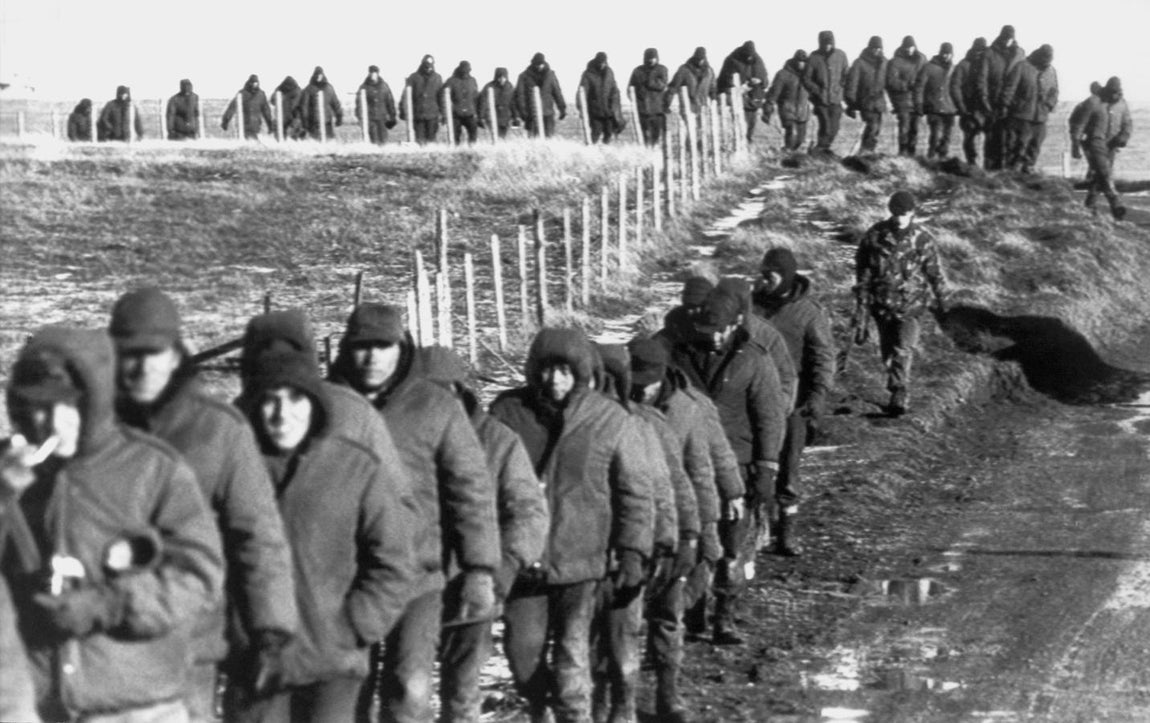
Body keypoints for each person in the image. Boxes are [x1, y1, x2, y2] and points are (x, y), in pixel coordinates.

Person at [0, 326, 223, 721]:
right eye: (37, 406)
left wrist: (107, 603)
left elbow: (199, 574)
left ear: (94, 402)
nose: (50, 422)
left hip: (137, 707)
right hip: (41, 705)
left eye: (65, 405)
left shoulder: (152, 469)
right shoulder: (11, 473)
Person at [107, 288, 299, 722]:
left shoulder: (219, 431)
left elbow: (257, 535)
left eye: (152, 352)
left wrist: (271, 630)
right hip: (104, 637)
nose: (139, 366)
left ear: (176, 354)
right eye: (128, 353)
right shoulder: (93, 428)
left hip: (191, 641)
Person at [329, 304, 500, 723]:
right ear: (346, 349)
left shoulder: (436, 406)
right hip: (345, 576)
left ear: (400, 347)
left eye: (382, 346)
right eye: (361, 346)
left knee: (410, 690)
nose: (371, 357)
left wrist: (479, 568)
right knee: (348, 692)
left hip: (417, 574)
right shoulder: (324, 404)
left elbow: (471, 489)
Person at [233, 349, 416, 723]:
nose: (282, 414)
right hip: (256, 663)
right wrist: (234, 634)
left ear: (315, 403)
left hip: (333, 663)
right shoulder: (233, 470)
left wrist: (353, 625)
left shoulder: (356, 468)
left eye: (295, 399)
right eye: (269, 400)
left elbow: (394, 561)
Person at [490, 327, 653, 723]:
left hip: (582, 559)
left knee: (572, 656)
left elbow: (635, 490)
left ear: (582, 373)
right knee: (522, 654)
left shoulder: (608, 419)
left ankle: (574, 716)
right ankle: (539, 707)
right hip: (524, 563)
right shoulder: (507, 413)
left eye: (565, 371)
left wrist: (633, 549)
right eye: (546, 370)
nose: (555, 380)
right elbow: (482, 478)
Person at [417, 347, 550, 723]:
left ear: (461, 392)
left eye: (445, 393)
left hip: (471, 588)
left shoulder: (498, 442)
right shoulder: (396, 436)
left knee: (461, 692)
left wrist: (504, 565)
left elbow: (527, 511)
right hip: (410, 590)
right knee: (409, 689)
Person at [666, 290, 787, 644]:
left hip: (740, 467)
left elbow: (770, 419)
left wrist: (767, 469)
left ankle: (725, 616)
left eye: (720, 329)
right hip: (691, 468)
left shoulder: (755, 361)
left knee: (731, 548)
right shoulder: (680, 355)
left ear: (736, 324)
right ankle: (693, 612)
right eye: (706, 328)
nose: (713, 336)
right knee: (695, 540)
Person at [589, 344, 683, 723]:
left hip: (631, 546)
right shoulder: (573, 422)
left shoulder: (643, 425)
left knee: (623, 633)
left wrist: (673, 539)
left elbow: (667, 486)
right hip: (581, 549)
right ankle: (596, 707)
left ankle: (626, 704)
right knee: (586, 639)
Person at [627, 337, 716, 723]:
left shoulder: (686, 410)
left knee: (668, 614)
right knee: (623, 623)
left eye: (645, 382)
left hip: (675, 527)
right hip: (632, 533)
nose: (639, 389)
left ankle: (668, 692)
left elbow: (697, 472)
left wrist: (702, 532)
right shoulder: (617, 416)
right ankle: (621, 699)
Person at [751, 250, 835, 556]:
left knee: (788, 469)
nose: (763, 279)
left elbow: (823, 356)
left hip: (793, 403)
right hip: (755, 399)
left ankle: (786, 531)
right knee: (757, 465)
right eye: (762, 273)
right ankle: (758, 529)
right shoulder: (752, 305)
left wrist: (817, 396)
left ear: (785, 276)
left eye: (770, 274)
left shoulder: (808, 312)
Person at [854, 191, 949, 416]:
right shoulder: (875, 235)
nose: (899, 218)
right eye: (895, 213)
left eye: (904, 214)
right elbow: (862, 271)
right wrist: (862, 304)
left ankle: (899, 391)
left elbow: (934, 272)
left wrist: (943, 302)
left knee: (903, 348)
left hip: (911, 305)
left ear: (912, 213)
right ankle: (895, 383)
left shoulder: (921, 239)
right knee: (888, 352)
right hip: (881, 305)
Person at [1070, 76, 1132, 220]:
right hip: (1094, 142)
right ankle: (1116, 203)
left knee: (1098, 176)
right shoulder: (1093, 102)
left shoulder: (1122, 104)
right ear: (1107, 90)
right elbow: (1079, 125)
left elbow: (1128, 123)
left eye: (1118, 93)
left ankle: (1090, 205)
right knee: (1104, 172)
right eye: (1113, 92)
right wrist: (1075, 144)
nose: (1116, 96)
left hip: (1112, 144)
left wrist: (1124, 136)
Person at [1001, 43, 1057, 173]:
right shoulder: (1022, 67)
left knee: (1036, 143)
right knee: (1019, 143)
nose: (1047, 61)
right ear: (1039, 55)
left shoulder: (1051, 71)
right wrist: (1006, 105)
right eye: (1045, 58)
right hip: (1021, 114)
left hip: (1041, 115)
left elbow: (1054, 91)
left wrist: (1049, 104)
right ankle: (1013, 169)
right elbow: (1010, 88)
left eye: (1049, 59)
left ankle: (1029, 167)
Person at [976, 25, 1026, 170]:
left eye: (1010, 38)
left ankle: (1009, 172)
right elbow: (982, 79)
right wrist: (985, 101)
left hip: (1012, 104)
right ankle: (991, 171)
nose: (1008, 41)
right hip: (993, 103)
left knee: (1011, 139)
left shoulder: (1020, 53)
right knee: (992, 138)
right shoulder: (989, 53)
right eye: (1005, 38)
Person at [803, 30, 849, 154]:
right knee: (825, 127)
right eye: (825, 43)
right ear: (820, 43)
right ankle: (820, 150)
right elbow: (806, 78)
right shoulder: (813, 57)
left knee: (834, 128)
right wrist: (817, 90)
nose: (827, 46)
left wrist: (841, 86)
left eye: (829, 43)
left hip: (836, 99)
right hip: (821, 100)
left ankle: (822, 150)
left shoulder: (841, 55)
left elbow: (846, 74)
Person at [718, 40, 769, 143]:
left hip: (754, 98)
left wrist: (760, 80)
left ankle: (748, 142)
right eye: (747, 56)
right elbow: (725, 79)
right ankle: (739, 143)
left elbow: (765, 79)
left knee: (751, 124)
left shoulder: (758, 61)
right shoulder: (732, 60)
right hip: (738, 98)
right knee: (740, 123)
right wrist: (743, 85)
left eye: (751, 56)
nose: (749, 58)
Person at [845, 37, 887, 154]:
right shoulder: (859, 63)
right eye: (875, 48)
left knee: (876, 129)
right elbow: (852, 84)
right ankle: (865, 152)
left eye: (879, 48)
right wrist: (851, 103)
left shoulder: (884, 63)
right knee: (872, 127)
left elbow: (888, 81)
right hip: (865, 101)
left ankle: (868, 153)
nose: (877, 51)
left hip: (879, 102)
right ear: (869, 48)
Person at [950, 37, 988, 165]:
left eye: (982, 51)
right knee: (970, 137)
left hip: (985, 108)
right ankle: (972, 163)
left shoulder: (987, 65)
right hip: (968, 108)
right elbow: (955, 87)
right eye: (978, 50)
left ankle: (984, 165)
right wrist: (961, 107)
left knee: (988, 138)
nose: (979, 53)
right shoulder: (963, 65)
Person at [915, 43, 957, 159]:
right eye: (944, 53)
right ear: (940, 53)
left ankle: (942, 161)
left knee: (946, 137)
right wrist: (919, 104)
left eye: (948, 54)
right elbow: (919, 87)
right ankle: (931, 159)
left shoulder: (954, 69)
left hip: (950, 108)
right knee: (935, 136)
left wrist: (959, 105)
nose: (945, 56)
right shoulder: (928, 67)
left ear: (952, 55)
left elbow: (958, 88)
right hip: (934, 107)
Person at [886, 35, 926, 156]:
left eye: (911, 47)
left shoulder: (922, 60)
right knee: (904, 127)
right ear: (903, 47)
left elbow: (926, 78)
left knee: (915, 128)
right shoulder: (895, 62)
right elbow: (891, 81)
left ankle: (911, 154)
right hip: (902, 99)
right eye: (907, 47)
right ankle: (903, 153)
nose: (909, 49)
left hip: (917, 100)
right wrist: (908, 85)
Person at [767, 50, 811, 152]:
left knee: (800, 139)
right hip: (787, 109)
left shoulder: (808, 76)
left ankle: (788, 154)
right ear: (794, 61)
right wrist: (768, 107)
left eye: (804, 61)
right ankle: (787, 153)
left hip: (803, 112)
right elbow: (774, 92)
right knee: (791, 132)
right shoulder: (783, 74)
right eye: (799, 61)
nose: (801, 64)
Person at [515, 52, 567, 138]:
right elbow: (520, 96)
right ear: (533, 64)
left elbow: (557, 92)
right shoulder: (524, 76)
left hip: (548, 112)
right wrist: (523, 113)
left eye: (541, 64)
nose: (539, 66)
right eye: (537, 64)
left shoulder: (550, 75)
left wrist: (562, 108)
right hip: (531, 113)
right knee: (532, 138)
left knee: (549, 137)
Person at [580, 52, 623, 144]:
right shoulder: (588, 74)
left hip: (608, 111)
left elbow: (614, 88)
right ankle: (589, 152)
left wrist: (615, 105)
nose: (602, 65)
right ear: (596, 62)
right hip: (595, 111)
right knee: (595, 133)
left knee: (609, 133)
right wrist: (581, 109)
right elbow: (582, 92)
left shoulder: (609, 72)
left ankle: (604, 152)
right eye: (600, 63)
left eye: (603, 63)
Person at [629, 48, 669, 147]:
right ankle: (646, 153)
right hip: (642, 109)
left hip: (657, 110)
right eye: (649, 58)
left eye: (653, 58)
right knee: (644, 134)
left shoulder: (662, 69)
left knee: (656, 134)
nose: (651, 60)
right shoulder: (638, 71)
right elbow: (630, 87)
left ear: (657, 58)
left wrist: (650, 81)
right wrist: (634, 99)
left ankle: (654, 151)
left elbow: (662, 85)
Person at [668, 47, 716, 121]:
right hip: (688, 108)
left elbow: (713, 88)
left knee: (702, 130)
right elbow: (673, 87)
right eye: (698, 59)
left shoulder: (709, 72)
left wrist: (714, 101)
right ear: (694, 57)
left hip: (703, 108)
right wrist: (666, 104)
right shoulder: (684, 70)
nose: (700, 61)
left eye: (702, 59)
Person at [222, 74, 275, 140]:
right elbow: (232, 108)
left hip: (255, 125)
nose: (255, 85)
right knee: (252, 143)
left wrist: (270, 125)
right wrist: (225, 121)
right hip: (244, 125)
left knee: (252, 143)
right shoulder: (242, 94)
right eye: (253, 83)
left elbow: (266, 111)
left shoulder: (261, 94)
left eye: (256, 83)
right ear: (249, 83)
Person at [297, 66, 342, 141]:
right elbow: (304, 107)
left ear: (323, 75)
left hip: (327, 121)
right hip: (314, 122)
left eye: (320, 75)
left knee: (328, 141)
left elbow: (336, 103)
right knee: (316, 142)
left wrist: (339, 116)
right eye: (317, 75)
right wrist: (305, 121)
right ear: (314, 76)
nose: (318, 77)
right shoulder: (308, 89)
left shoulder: (329, 88)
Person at [356, 65, 398, 145]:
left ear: (378, 74)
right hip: (370, 119)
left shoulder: (384, 86)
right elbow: (359, 104)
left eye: (375, 73)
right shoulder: (364, 87)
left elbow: (390, 102)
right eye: (371, 73)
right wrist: (360, 118)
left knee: (383, 140)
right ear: (369, 73)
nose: (373, 75)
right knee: (373, 140)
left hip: (382, 118)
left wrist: (392, 116)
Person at [444, 60, 480, 145]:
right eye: (463, 70)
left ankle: (472, 150)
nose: (465, 73)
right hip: (456, 113)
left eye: (467, 71)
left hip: (470, 113)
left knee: (473, 133)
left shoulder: (472, 80)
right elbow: (444, 96)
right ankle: (455, 151)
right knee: (455, 135)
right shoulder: (451, 81)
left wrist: (475, 111)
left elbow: (476, 97)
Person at [478, 67, 517, 139]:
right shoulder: (489, 87)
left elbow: (513, 102)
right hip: (492, 115)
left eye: (504, 77)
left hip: (505, 115)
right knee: (493, 135)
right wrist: (481, 116)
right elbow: (483, 102)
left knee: (503, 136)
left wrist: (516, 116)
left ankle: (501, 147)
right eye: (500, 77)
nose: (502, 79)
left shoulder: (509, 86)